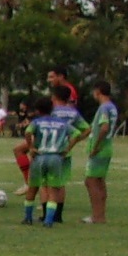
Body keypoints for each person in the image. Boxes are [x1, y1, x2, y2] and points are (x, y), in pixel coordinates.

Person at [26, 94, 88, 229]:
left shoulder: (36, 122)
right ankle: (49, 220)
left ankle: (28, 218)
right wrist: (67, 148)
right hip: (56, 157)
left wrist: (31, 147)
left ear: (37, 110)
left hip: (40, 156)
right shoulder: (62, 123)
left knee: (34, 187)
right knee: (54, 189)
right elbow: (77, 133)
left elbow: (27, 132)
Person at [82, 80, 118, 224]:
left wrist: (96, 146)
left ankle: (97, 216)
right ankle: (100, 214)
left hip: (100, 149)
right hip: (107, 147)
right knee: (99, 181)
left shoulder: (104, 108)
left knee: (90, 181)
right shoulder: (112, 107)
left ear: (98, 91)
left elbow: (104, 127)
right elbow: (93, 127)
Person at [48, 83, 84, 223]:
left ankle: (47, 215)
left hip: (50, 149)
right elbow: (87, 129)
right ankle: (58, 216)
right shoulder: (73, 112)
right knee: (60, 183)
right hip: (65, 151)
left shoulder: (52, 112)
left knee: (47, 183)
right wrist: (73, 142)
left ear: (54, 97)